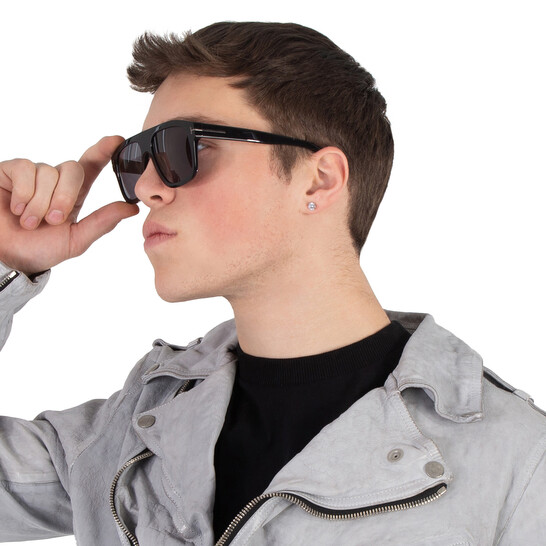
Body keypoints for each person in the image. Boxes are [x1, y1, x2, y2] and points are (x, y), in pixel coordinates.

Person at [0, 20, 544, 546]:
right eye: (137, 160)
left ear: (318, 179)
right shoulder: (134, 429)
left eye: (183, 148)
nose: (145, 188)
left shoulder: (518, 462)